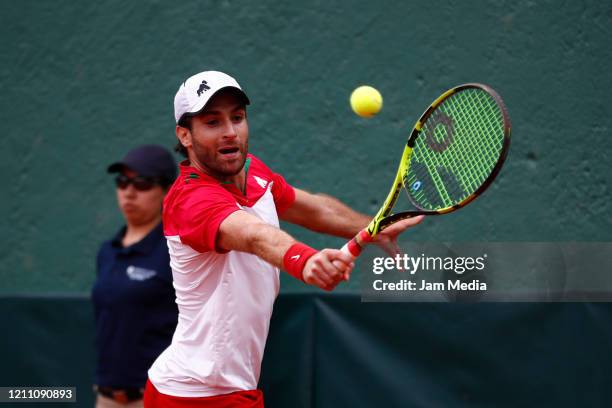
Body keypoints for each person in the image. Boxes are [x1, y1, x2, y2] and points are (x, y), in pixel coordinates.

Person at [144, 71, 424, 407]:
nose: (231, 132)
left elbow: (313, 209)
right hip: (199, 395)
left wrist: (373, 227)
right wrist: (305, 261)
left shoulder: (254, 172)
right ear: (185, 136)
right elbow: (253, 235)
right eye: (212, 122)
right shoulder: (190, 199)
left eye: (237, 117)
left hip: (222, 388)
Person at [92, 145, 179, 408]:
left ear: (165, 191)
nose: (129, 191)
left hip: (154, 397)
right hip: (106, 397)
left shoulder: (175, 250)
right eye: (122, 181)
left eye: (142, 183)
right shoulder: (108, 251)